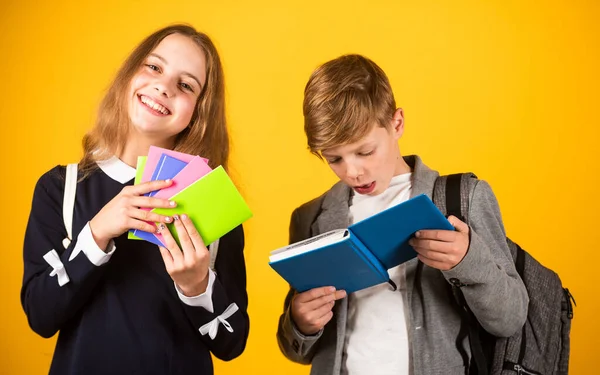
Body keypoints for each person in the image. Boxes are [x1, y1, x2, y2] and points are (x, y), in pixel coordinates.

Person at [276, 54, 528, 375]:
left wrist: (467, 259)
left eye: (365, 151)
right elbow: (295, 351)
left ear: (397, 124)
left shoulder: (463, 198)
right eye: (334, 159)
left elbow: (510, 318)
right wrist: (300, 322)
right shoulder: (310, 217)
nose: (352, 171)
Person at [21, 24, 249, 375]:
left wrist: (197, 286)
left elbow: (233, 343)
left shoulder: (211, 199)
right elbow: (40, 314)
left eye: (185, 85)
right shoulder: (59, 187)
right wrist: (96, 234)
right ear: (129, 75)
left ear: (199, 112)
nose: (163, 86)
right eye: (154, 67)